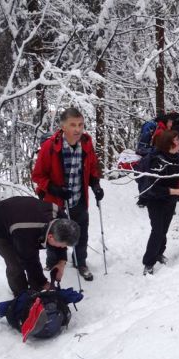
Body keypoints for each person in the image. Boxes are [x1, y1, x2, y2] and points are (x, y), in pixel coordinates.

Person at [32, 107, 104, 281]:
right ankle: (52, 262)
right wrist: (53, 188)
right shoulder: (50, 146)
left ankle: (81, 263)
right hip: (56, 201)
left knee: (81, 233)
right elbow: (37, 175)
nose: (78, 129)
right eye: (73, 125)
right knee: (55, 234)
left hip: (78, 199)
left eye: (80, 124)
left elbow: (92, 166)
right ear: (63, 126)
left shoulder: (86, 143)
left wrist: (95, 185)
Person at [0, 196, 80, 296]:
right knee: (15, 263)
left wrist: (61, 262)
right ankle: (21, 295)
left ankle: (35, 288)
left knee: (29, 253)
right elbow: (30, 260)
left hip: (20, 214)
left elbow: (61, 240)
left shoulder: (63, 220)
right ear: (50, 237)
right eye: (63, 246)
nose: (63, 248)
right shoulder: (26, 232)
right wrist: (42, 282)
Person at [140, 130, 179, 275]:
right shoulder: (156, 160)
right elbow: (154, 188)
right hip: (156, 200)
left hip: (171, 199)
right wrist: (177, 192)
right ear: (168, 143)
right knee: (157, 231)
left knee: (164, 229)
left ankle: (159, 253)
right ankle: (148, 262)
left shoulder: (178, 155)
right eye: (177, 140)